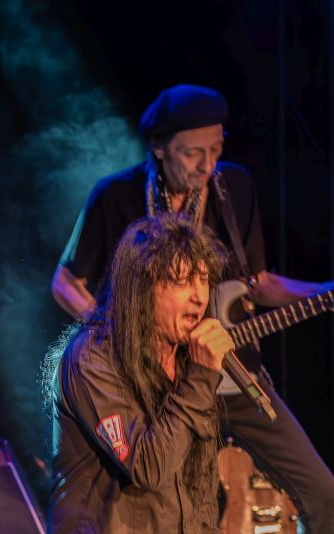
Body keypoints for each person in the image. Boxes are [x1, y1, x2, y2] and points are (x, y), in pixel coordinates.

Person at [51, 84, 334, 533]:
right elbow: (65, 281)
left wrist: (326, 291)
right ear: (159, 148)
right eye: (192, 153)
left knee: (323, 493)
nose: (207, 164)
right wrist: (117, 337)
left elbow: (256, 283)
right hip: (148, 374)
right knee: (158, 489)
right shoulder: (115, 196)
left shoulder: (234, 186)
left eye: (216, 149)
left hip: (227, 367)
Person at [46, 214, 232, 533]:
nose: (200, 296)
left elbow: (199, 488)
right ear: (144, 288)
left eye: (203, 279)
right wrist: (200, 378)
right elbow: (148, 467)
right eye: (182, 281)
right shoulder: (92, 357)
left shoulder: (188, 360)